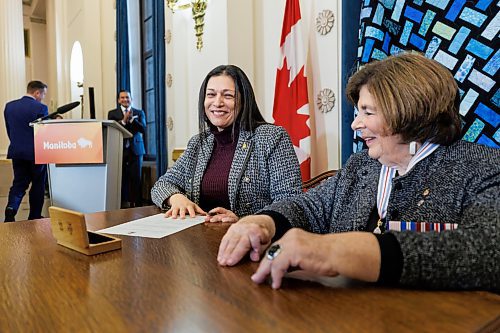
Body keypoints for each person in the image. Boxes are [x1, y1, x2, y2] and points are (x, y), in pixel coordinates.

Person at [217, 53, 500, 291]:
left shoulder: (483, 166)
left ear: (409, 111)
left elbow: (487, 251)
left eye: (368, 112)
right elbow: (310, 206)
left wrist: (336, 251)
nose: (356, 124)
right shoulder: (362, 165)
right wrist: (263, 222)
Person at [151, 65, 302, 222]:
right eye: (211, 95)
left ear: (244, 100)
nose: (217, 102)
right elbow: (162, 185)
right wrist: (176, 198)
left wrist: (244, 220)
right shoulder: (198, 143)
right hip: (200, 238)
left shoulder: (272, 137)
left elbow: (291, 203)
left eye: (228, 96)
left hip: (253, 240)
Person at [4, 81, 49, 222]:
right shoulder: (41, 107)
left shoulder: (9, 106)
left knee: (19, 183)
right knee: (37, 184)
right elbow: (43, 132)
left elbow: (9, 130)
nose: (42, 98)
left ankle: (11, 209)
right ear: (37, 93)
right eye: (43, 95)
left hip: (17, 151)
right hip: (36, 153)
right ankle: (34, 215)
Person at [108, 90, 146, 208]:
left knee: (137, 178)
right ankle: (123, 204)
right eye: (122, 98)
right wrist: (124, 120)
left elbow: (143, 129)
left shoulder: (139, 112)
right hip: (120, 149)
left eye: (127, 97)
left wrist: (132, 120)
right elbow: (112, 128)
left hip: (136, 150)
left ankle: (138, 205)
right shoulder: (112, 113)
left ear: (131, 99)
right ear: (119, 100)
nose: (125, 100)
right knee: (122, 178)